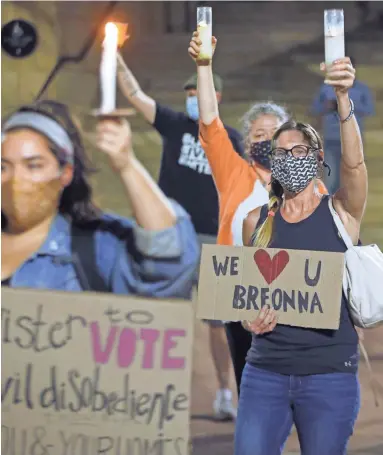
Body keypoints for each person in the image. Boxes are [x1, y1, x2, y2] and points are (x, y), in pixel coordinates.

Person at [187, 32, 328, 396]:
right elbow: (209, 122)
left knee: (297, 388)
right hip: (240, 298)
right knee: (251, 383)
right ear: (248, 143)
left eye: (273, 133)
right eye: (257, 135)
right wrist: (204, 67)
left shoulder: (309, 182)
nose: (265, 140)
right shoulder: (233, 172)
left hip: (297, 300)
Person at [237, 57, 365, 455]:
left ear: (315, 156)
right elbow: (248, 297)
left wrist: (342, 99)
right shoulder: (255, 221)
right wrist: (249, 320)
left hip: (329, 375)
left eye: (299, 150)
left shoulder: (341, 211)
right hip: (265, 372)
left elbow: (355, 165)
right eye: (281, 152)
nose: (290, 158)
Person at [115, 54, 244, 420]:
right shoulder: (174, 124)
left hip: (213, 239)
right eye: (188, 91)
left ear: (215, 96)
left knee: (219, 324)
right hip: (174, 237)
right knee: (163, 318)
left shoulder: (230, 139)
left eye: (197, 90)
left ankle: (224, 392)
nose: (192, 96)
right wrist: (117, 54)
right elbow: (135, 93)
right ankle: (153, 392)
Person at [1, 100, 199, 298]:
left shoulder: (96, 249)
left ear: (65, 173)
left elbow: (167, 263)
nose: (15, 181)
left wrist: (126, 164)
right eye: (3, 167)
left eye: (34, 166)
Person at [311, 55, 374, 195]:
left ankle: (348, 212)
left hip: (353, 141)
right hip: (330, 138)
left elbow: (369, 110)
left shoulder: (362, 89)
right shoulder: (325, 88)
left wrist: (346, 105)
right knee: (331, 178)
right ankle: (330, 211)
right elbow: (315, 109)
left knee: (351, 178)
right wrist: (328, 106)